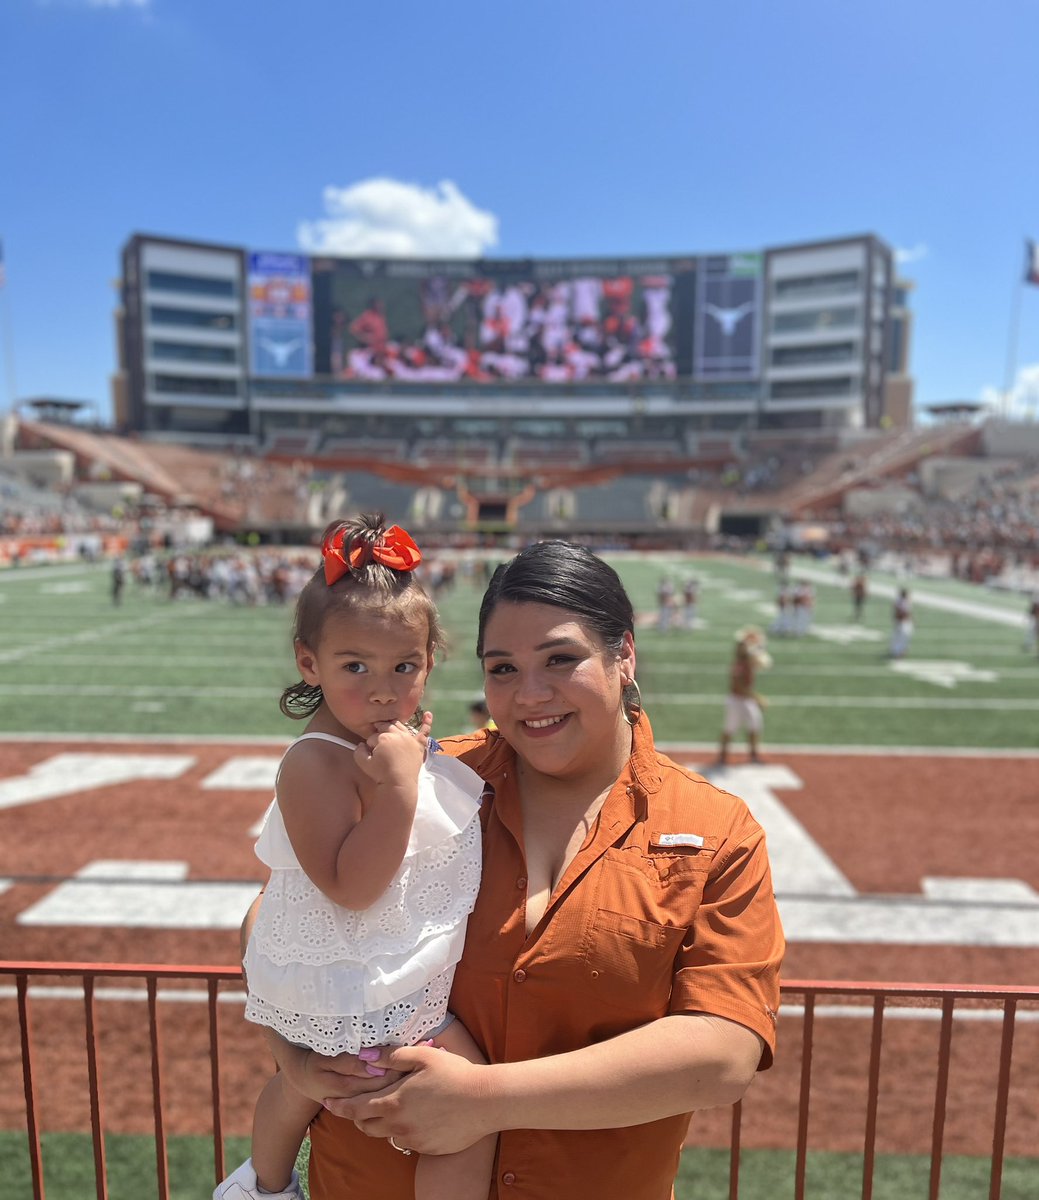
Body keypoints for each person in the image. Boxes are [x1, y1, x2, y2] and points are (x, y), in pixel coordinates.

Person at [262, 540, 784, 1200]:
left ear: (623, 654)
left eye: (560, 660)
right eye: (501, 668)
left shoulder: (716, 829)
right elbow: (281, 914)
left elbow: (721, 1054)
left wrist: (485, 1099)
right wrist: (299, 1064)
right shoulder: (421, 778)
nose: (529, 694)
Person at [216, 514, 495, 1200]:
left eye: (404, 667)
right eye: (355, 667)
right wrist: (400, 785)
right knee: (470, 1108)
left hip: (366, 972)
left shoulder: (377, 736)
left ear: (431, 661)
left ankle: (262, 1186)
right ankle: (264, 1186)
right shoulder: (314, 762)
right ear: (307, 662)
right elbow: (352, 887)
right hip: (361, 984)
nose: (381, 689)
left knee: (298, 1089)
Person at [715, 626, 772, 767]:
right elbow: (740, 687)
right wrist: (758, 698)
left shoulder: (748, 661)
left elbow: (764, 662)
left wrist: (758, 647)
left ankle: (753, 755)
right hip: (737, 700)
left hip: (746, 700)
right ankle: (722, 757)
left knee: (755, 725)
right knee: (730, 728)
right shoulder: (739, 664)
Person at [889, 587, 913, 659]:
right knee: (902, 637)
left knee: (899, 637)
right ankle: (898, 652)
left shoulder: (901, 601)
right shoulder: (902, 602)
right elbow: (902, 613)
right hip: (902, 622)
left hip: (901, 622)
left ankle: (898, 651)